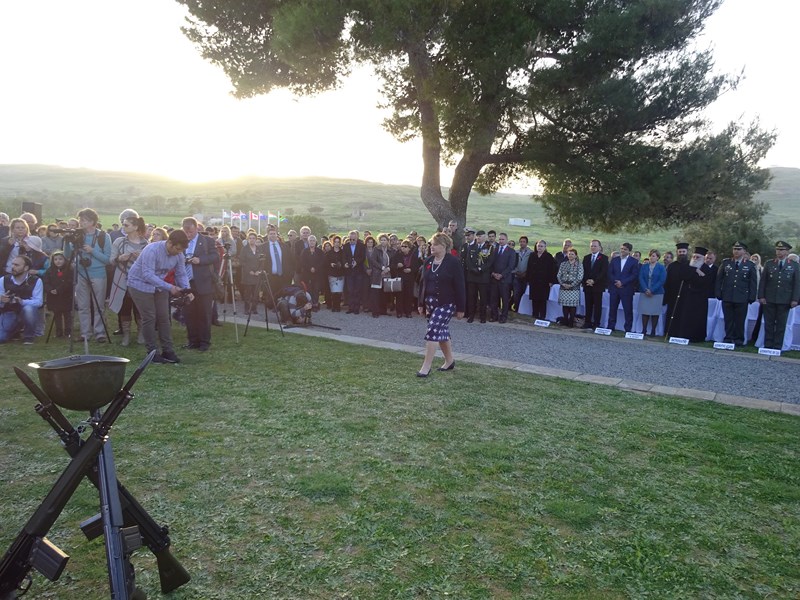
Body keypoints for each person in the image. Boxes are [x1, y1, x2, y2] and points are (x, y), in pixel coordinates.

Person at [127, 229, 193, 364]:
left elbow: (181, 273)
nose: (179, 252)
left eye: (181, 250)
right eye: (177, 249)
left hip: (160, 285)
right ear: (169, 243)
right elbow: (147, 275)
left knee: (164, 317)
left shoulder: (179, 254)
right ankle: (152, 352)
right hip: (139, 284)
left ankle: (168, 351)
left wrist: (186, 290)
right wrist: (170, 288)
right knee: (150, 317)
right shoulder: (151, 250)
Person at [416, 232, 465, 376]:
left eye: (436, 244)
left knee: (433, 330)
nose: (432, 247)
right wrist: (420, 303)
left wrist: (461, 308)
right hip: (430, 302)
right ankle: (449, 361)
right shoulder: (429, 260)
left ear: (444, 246)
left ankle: (426, 367)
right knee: (441, 331)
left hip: (446, 303)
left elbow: (460, 285)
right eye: (431, 244)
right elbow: (423, 283)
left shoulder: (453, 262)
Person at [63, 208, 112, 343]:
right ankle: (85, 333)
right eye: (80, 219)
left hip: (98, 274)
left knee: (99, 305)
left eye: (84, 220)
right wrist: (67, 241)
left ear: (92, 221)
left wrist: (92, 251)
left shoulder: (103, 236)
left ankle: (99, 333)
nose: (81, 222)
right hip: (81, 273)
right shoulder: (78, 235)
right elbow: (67, 255)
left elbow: (108, 259)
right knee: (83, 305)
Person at [108, 215, 148, 346]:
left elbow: (149, 263)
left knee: (139, 307)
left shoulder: (145, 244)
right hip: (122, 279)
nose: (123, 227)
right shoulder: (119, 241)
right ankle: (126, 334)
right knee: (124, 306)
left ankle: (141, 333)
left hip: (139, 280)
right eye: (123, 224)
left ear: (135, 227)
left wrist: (140, 258)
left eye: (126, 225)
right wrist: (119, 258)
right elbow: (111, 260)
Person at [182, 217, 220, 352]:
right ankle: (193, 341)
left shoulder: (207, 241)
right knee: (189, 314)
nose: (188, 235)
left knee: (204, 313)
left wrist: (200, 260)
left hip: (203, 283)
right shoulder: (181, 241)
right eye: (186, 232)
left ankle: (204, 342)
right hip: (187, 283)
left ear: (196, 228)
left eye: (191, 232)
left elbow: (215, 256)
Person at [758, 241, 800, 350]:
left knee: (781, 325)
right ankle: (768, 345)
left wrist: (795, 299)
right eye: (777, 250)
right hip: (769, 298)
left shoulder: (794, 265)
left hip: (785, 299)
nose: (779, 252)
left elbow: (796, 284)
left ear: (787, 252)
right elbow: (763, 281)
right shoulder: (769, 263)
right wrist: (761, 296)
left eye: (781, 250)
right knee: (769, 323)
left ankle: (777, 346)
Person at [715, 241, 758, 347]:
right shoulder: (726, 263)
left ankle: (739, 340)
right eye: (735, 249)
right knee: (728, 319)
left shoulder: (750, 265)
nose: (736, 251)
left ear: (744, 251)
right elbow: (719, 279)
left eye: (739, 249)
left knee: (740, 320)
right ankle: (728, 338)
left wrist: (752, 297)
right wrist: (718, 293)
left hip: (742, 297)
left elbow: (753, 283)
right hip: (727, 296)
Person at [0, 255, 44, 344]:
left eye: (17, 265)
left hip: (27, 311)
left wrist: (22, 301)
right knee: (1, 338)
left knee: (29, 309)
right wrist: (1, 299)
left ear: (26, 268)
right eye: (12, 264)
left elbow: (39, 301)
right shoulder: (3, 279)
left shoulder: (36, 280)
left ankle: (28, 336)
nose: (13, 267)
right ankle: (15, 331)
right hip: (10, 311)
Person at [674, 246, 713, 342]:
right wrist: (695, 270)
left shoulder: (706, 269)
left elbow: (704, 281)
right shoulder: (687, 265)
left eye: (697, 257)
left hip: (699, 297)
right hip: (686, 296)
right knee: (684, 316)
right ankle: (683, 335)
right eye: (694, 257)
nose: (695, 259)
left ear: (702, 259)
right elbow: (683, 276)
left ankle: (696, 337)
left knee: (697, 318)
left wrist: (696, 273)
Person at [607, 242, 640, 332]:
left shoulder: (634, 261)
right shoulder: (615, 260)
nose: (623, 251)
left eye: (625, 249)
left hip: (626, 289)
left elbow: (634, 275)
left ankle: (628, 329)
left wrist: (622, 282)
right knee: (612, 308)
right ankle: (610, 327)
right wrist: (616, 281)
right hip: (614, 288)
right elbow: (610, 273)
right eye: (621, 249)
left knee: (627, 310)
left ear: (629, 251)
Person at [464, 229, 495, 323]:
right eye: (477, 236)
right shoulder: (472, 246)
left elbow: (490, 262)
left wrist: (480, 269)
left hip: (483, 277)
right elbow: (468, 260)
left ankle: (482, 317)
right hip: (472, 276)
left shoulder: (489, 247)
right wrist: (472, 269)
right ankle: (471, 316)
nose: (478, 238)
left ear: (484, 237)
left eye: (480, 236)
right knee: (471, 297)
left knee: (483, 298)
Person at [43, 251, 73, 338]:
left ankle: (68, 331)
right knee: (57, 314)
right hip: (54, 296)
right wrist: (50, 289)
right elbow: (46, 282)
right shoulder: (49, 271)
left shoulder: (69, 270)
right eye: (55, 259)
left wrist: (59, 289)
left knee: (67, 314)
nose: (58, 261)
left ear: (65, 260)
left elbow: (69, 282)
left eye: (60, 259)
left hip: (66, 295)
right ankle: (58, 331)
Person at [663, 242, 691, 336]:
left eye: (683, 251)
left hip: (686, 295)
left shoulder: (691, 265)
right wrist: (666, 297)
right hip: (673, 295)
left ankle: (682, 334)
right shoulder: (672, 266)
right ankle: (670, 333)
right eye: (680, 252)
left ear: (686, 252)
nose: (682, 253)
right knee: (672, 314)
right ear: (677, 252)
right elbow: (667, 282)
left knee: (684, 315)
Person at [638, 249, 666, 336]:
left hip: (657, 293)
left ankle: (653, 331)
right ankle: (644, 330)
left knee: (655, 312)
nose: (651, 257)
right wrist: (646, 289)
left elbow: (662, 280)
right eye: (650, 256)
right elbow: (641, 278)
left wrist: (652, 290)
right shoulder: (644, 266)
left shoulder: (661, 267)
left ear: (657, 257)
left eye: (653, 256)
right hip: (645, 291)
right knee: (645, 311)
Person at [488, 233, 516, 323]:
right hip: (494, 279)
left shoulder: (511, 251)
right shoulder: (494, 250)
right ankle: (494, 316)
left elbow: (511, 266)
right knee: (494, 299)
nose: (501, 241)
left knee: (505, 299)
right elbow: (490, 263)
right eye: (499, 239)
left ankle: (503, 316)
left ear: (506, 240)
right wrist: (493, 273)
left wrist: (501, 275)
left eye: (503, 239)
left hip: (505, 280)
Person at [525, 239, 555, 320]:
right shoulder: (532, 255)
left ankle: (542, 317)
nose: (540, 248)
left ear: (545, 247)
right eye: (538, 246)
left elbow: (552, 270)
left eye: (541, 246)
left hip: (544, 283)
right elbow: (529, 268)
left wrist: (551, 281)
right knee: (534, 299)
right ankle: (534, 315)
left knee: (542, 300)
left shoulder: (549, 256)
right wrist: (528, 280)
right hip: (534, 282)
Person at [581, 240, 608, 329]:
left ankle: (596, 323)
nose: (593, 247)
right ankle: (587, 322)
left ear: (599, 247)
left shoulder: (604, 258)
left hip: (597, 286)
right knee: (588, 305)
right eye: (592, 246)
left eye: (595, 246)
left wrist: (594, 281)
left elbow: (603, 272)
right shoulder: (586, 257)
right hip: (587, 285)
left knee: (597, 306)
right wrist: (587, 281)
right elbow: (583, 271)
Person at [392, 239, 421, 318]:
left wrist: (411, 269)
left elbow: (417, 267)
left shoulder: (413, 256)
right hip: (400, 276)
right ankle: (399, 312)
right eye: (402, 246)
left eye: (405, 246)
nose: (403, 248)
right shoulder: (397, 255)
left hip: (409, 277)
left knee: (408, 295)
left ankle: (408, 312)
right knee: (399, 295)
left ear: (409, 248)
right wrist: (397, 265)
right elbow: (392, 265)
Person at [556, 248, 583, 328]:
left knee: (572, 306)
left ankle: (571, 321)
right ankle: (565, 320)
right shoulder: (563, 264)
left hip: (574, 288)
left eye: (572, 254)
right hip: (563, 287)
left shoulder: (579, 265)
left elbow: (580, 277)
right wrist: (563, 284)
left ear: (576, 256)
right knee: (565, 305)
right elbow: (559, 275)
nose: (570, 256)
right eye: (569, 254)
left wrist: (571, 285)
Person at [342, 230, 367, 314]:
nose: (352, 241)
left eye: (354, 239)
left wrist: (357, 262)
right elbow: (343, 257)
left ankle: (356, 308)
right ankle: (351, 307)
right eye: (350, 239)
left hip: (358, 271)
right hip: (349, 271)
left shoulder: (362, 246)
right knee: (350, 290)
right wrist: (345, 263)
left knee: (357, 290)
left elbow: (363, 257)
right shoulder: (345, 246)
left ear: (357, 238)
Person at [299, 234, 324, 311]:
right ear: (308, 242)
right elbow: (302, 262)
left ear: (316, 241)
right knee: (309, 290)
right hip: (307, 274)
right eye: (310, 241)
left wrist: (315, 268)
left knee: (316, 290)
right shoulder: (304, 251)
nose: (312, 242)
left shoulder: (320, 251)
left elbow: (322, 262)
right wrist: (310, 268)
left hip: (317, 274)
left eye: (313, 240)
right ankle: (309, 305)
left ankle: (315, 304)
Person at [326, 235, 346, 312]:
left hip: (340, 273)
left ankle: (338, 306)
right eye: (335, 242)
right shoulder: (329, 252)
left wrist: (341, 264)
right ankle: (334, 306)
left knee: (339, 291)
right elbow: (326, 262)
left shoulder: (343, 252)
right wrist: (330, 264)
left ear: (340, 243)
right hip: (332, 273)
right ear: (333, 242)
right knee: (333, 291)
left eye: (338, 242)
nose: (337, 243)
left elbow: (344, 261)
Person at [512, 236, 532, 312]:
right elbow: (513, 264)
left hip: (526, 277)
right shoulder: (515, 252)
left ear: (526, 243)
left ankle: (523, 310)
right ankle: (517, 309)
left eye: (524, 242)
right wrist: (516, 272)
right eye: (521, 241)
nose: (522, 243)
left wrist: (526, 273)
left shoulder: (531, 253)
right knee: (516, 294)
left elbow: (531, 266)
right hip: (516, 276)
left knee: (524, 294)